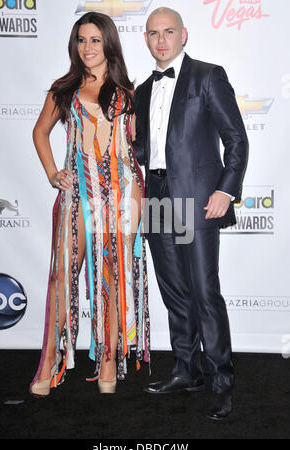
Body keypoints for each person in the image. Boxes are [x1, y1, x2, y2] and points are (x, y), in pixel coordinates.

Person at [133, 7, 248, 420]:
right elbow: (145, 151)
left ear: (184, 35)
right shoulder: (142, 90)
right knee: (175, 293)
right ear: (145, 39)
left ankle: (221, 380)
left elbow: (236, 138)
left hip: (198, 198)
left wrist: (226, 190)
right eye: (153, 33)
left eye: (168, 32)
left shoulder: (207, 75)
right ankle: (186, 369)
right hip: (158, 195)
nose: (161, 40)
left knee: (204, 291)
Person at [29, 12, 150, 398]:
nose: (88, 47)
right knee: (62, 275)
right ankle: (50, 360)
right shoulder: (62, 89)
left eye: (95, 40)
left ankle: (109, 361)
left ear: (109, 44)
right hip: (78, 193)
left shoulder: (128, 93)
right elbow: (40, 132)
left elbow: (136, 149)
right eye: (81, 40)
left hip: (121, 195)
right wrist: (52, 173)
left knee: (112, 277)